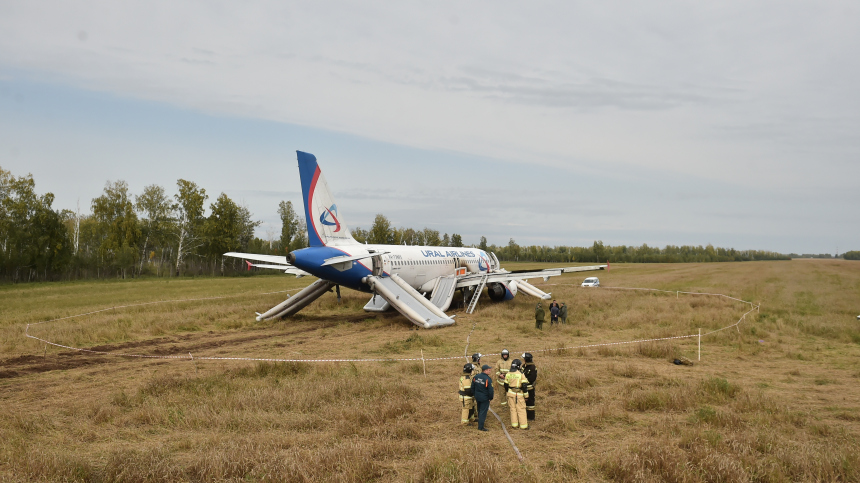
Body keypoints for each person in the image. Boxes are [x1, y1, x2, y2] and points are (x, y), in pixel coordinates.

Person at [504, 359, 529, 430]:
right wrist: (526, 396)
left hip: (510, 393)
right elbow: (524, 386)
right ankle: (523, 426)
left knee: (513, 409)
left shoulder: (508, 374)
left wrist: (508, 392)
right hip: (518, 395)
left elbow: (505, 385)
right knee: (521, 410)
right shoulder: (520, 374)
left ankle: (514, 425)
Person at [471, 364, 495, 431]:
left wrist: (475, 394)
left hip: (477, 397)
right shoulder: (488, 379)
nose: (490, 371)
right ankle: (480, 427)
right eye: (489, 370)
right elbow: (490, 390)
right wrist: (490, 398)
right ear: (485, 370)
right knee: (483, 412)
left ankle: (480, 421)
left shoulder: (476, 377)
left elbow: (472, 387)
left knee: (479, 410)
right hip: (485, 398)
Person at [521, 352, 538, 421]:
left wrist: (523, 382)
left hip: (530, 388)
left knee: (530, 403)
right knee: (524, 402)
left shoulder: (532, 368)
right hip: (524, 388)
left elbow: (531, 379)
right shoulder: (524, 366)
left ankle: (531, 417)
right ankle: (525, 415)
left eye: (524, 359)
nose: (523, 360)